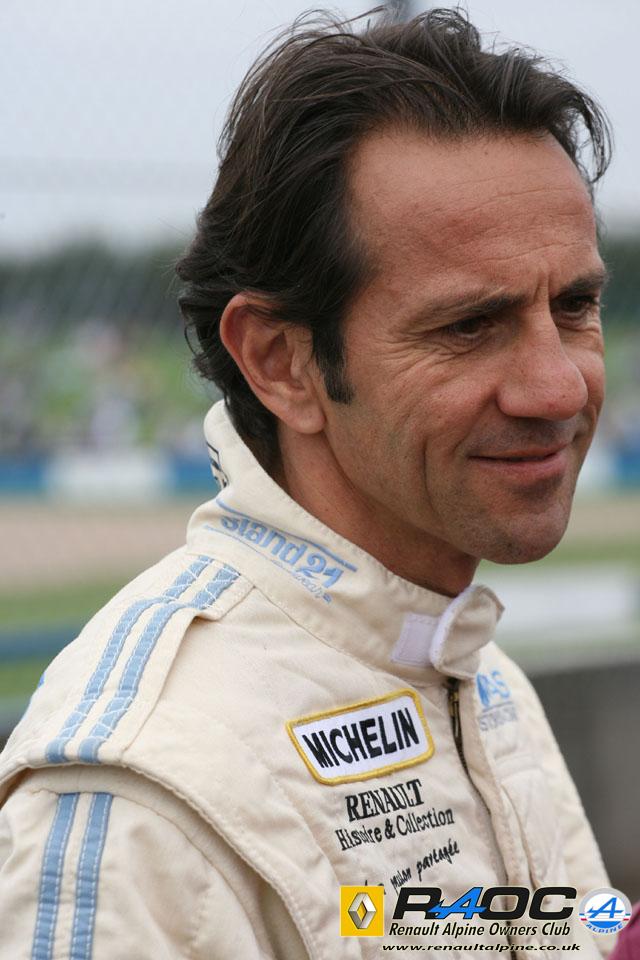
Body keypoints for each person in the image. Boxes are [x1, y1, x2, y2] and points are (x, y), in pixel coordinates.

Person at [0, 8, 618, 958]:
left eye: (575, 306)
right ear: (280, 363)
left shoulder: (472, 669)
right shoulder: (147, 796)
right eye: (469, 326)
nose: (559, 387)